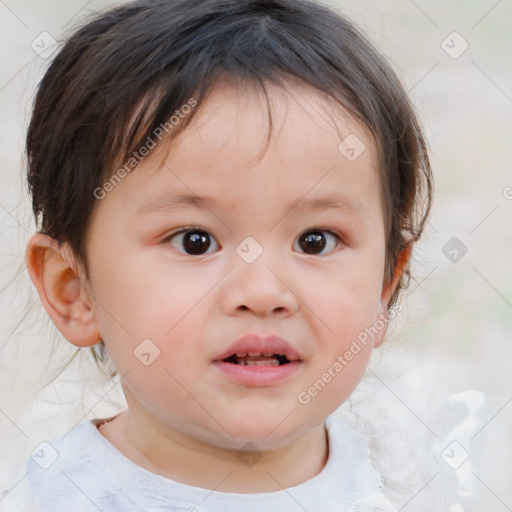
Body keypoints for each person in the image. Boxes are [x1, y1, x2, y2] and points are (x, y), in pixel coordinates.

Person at [9, 0, 433, 509]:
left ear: (385, 285)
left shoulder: (416, 486)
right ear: (73, 290)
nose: (262, 293)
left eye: (315, 240)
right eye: (195, 240)